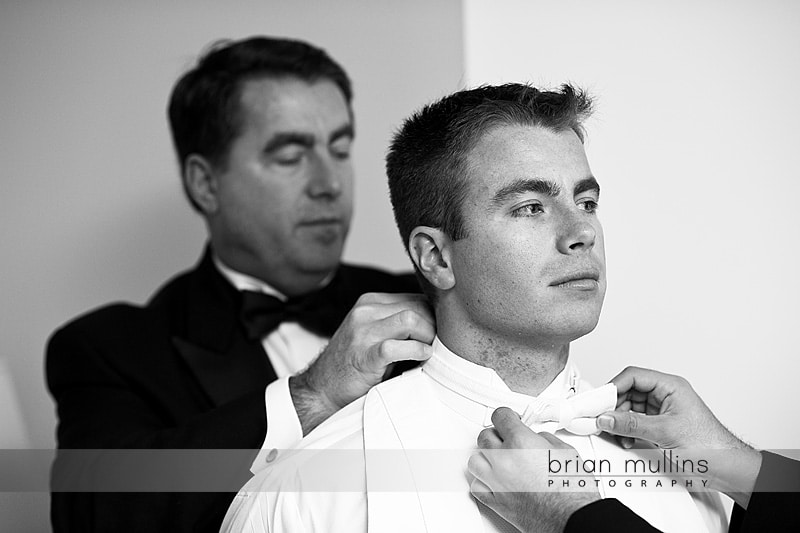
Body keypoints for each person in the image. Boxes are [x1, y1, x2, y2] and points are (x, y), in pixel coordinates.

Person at [221, 83, 728, 532]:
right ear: (437, 257)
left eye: (587, 203)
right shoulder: (300, 497)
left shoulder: (696, 471)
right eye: (530, 207)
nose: (582, 234)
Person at [45, 36, 434, 533]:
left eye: (339, 149)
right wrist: (311, 396)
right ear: (205, 184)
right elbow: (92, 515)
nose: (329, 183)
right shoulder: (112, 347)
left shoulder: (428, 295)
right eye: (291, 157)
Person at [469, 366, 800, 533]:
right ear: (435, 258)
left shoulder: (700, 502)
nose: (587, 232)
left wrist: (564, 512)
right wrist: (735, 465)